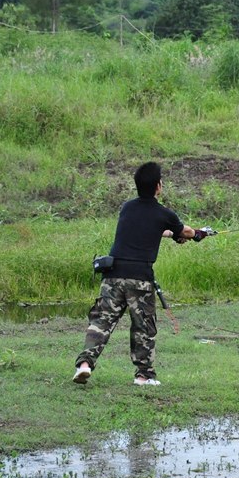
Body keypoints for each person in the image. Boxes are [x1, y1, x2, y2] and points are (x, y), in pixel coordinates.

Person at [73, 162, 207, 386]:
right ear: (159, 186)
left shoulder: (127, 208)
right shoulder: (164, 213)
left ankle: (84, 365)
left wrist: (173, 235)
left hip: (113, 275)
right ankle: (143, 375)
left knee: (102, 322)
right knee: (144, 327)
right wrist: (198, 234)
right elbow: (182, 231)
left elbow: (154, 229)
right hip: (139, 279)